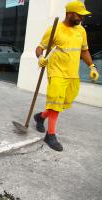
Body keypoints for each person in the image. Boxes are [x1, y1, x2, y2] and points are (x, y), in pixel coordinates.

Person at [34, 1, 99, 152]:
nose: (82, 18)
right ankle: (50, 135)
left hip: (72, 74)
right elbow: (39, 48)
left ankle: (41, 117)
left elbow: (84, 51)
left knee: (62, 104)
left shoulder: (81, 31)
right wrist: (40, 58)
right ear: (70, 14)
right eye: (79, 15)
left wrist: (92, 66)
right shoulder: (54, 29)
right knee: (55, 104)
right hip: (56, 72)